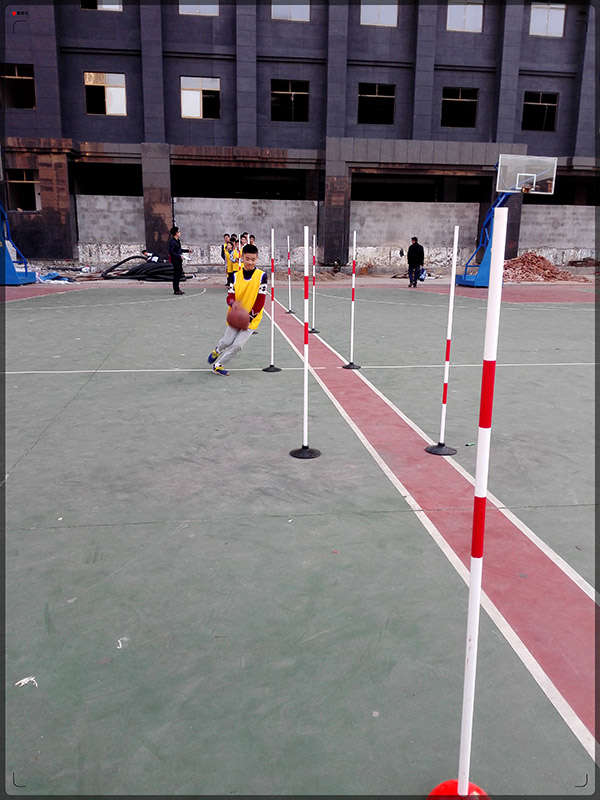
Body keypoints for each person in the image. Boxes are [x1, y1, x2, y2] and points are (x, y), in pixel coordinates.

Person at [207, 243, 267, 376]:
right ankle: (217, 350)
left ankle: (218, 365)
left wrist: (250, 316)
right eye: (247, 259)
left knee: (238, 345)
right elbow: (230, 296)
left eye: (253, 259)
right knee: (226, 341)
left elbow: (261, 299)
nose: (250, 262)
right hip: (236, 315)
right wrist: (233, 304)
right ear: (242, 258)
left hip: (252, 317)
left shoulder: (262, 276)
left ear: (257, 259)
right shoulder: (235, 276)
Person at [168, 226, 189, 295]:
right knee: (176, 275)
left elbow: (179, 250)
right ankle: (176, 290)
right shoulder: (172, 242)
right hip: (175, 260)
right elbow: (172, 252)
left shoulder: (177, 241)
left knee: (179, 274)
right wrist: (179, 256)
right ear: (176, 233)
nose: (180, 233)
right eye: (179, 232)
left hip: (179, 260)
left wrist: (187, 251)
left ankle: (177, 289)